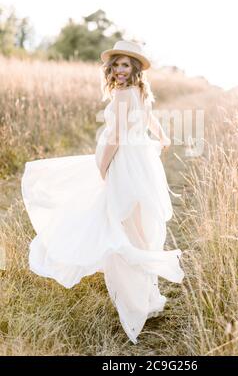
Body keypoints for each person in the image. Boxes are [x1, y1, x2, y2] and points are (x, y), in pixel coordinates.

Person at [21, 40, 184, 345]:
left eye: (126, 65)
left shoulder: (126, 93)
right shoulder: (138, 91)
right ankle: (146, 295)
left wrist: (103, 166)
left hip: (124, 164)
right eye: (116, 64)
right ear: (111, 68)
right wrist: (161, 136)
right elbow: (147, 118)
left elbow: (118, 136)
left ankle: (138, 298)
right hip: (140, 164)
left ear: (134, 68)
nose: (120, 70)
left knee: (125, 227)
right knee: (134, 226)